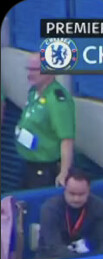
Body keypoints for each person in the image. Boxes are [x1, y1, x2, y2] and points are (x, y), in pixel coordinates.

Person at [16, 57, 75, 189]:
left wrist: (64, 172)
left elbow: (66, 139)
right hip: (26, 162)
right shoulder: (33, 92)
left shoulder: (57, 99)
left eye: (35, 70)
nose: (30, 74)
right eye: (29, 69)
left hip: (43, 169)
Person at [36, 169, 103, 259]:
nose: (76, 199)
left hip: (90, 258)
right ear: (65, 189)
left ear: (89, 190)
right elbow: (53, 246)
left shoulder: (100, 207)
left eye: (81, 194)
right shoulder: (50, 209)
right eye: (72, 194)